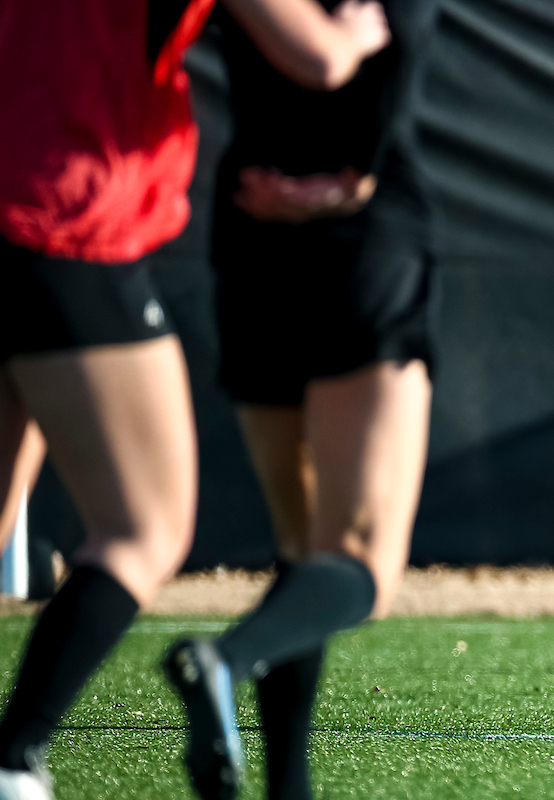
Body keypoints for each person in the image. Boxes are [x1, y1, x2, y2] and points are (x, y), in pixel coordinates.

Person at [0, 3, 394, 800]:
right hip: (60, 213)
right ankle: (14, 757)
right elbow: (314, 55)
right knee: (143, 529)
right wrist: (356, 31)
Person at [161, 2, 441, 799]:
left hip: (250, 231)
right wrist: (345, 180)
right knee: (358, 562)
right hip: (362, 235)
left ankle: (289, 786)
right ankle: (224, 658)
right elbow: (394, 57)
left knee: (302, 543)